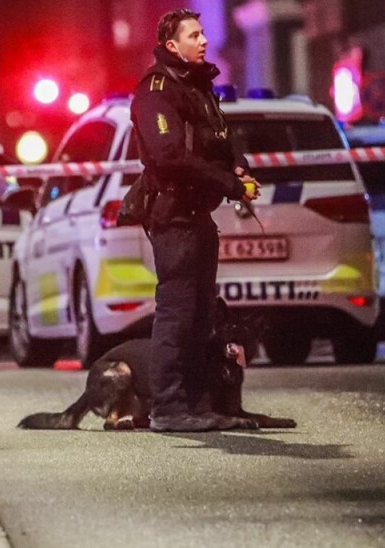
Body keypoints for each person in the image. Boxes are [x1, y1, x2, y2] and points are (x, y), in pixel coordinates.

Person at [131, 8, 262, 432]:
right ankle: (168, 408)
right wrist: (227, 182)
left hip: (198, 216)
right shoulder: (157, 90)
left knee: (202, 315)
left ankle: (199, 405)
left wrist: (237, 169)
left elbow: (219, 142)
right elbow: (169, 155)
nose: (203, 40)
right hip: (174, 217)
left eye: (204, 33)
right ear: (173, 46)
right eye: (194, 35)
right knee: (177, 314)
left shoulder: (199, 86)